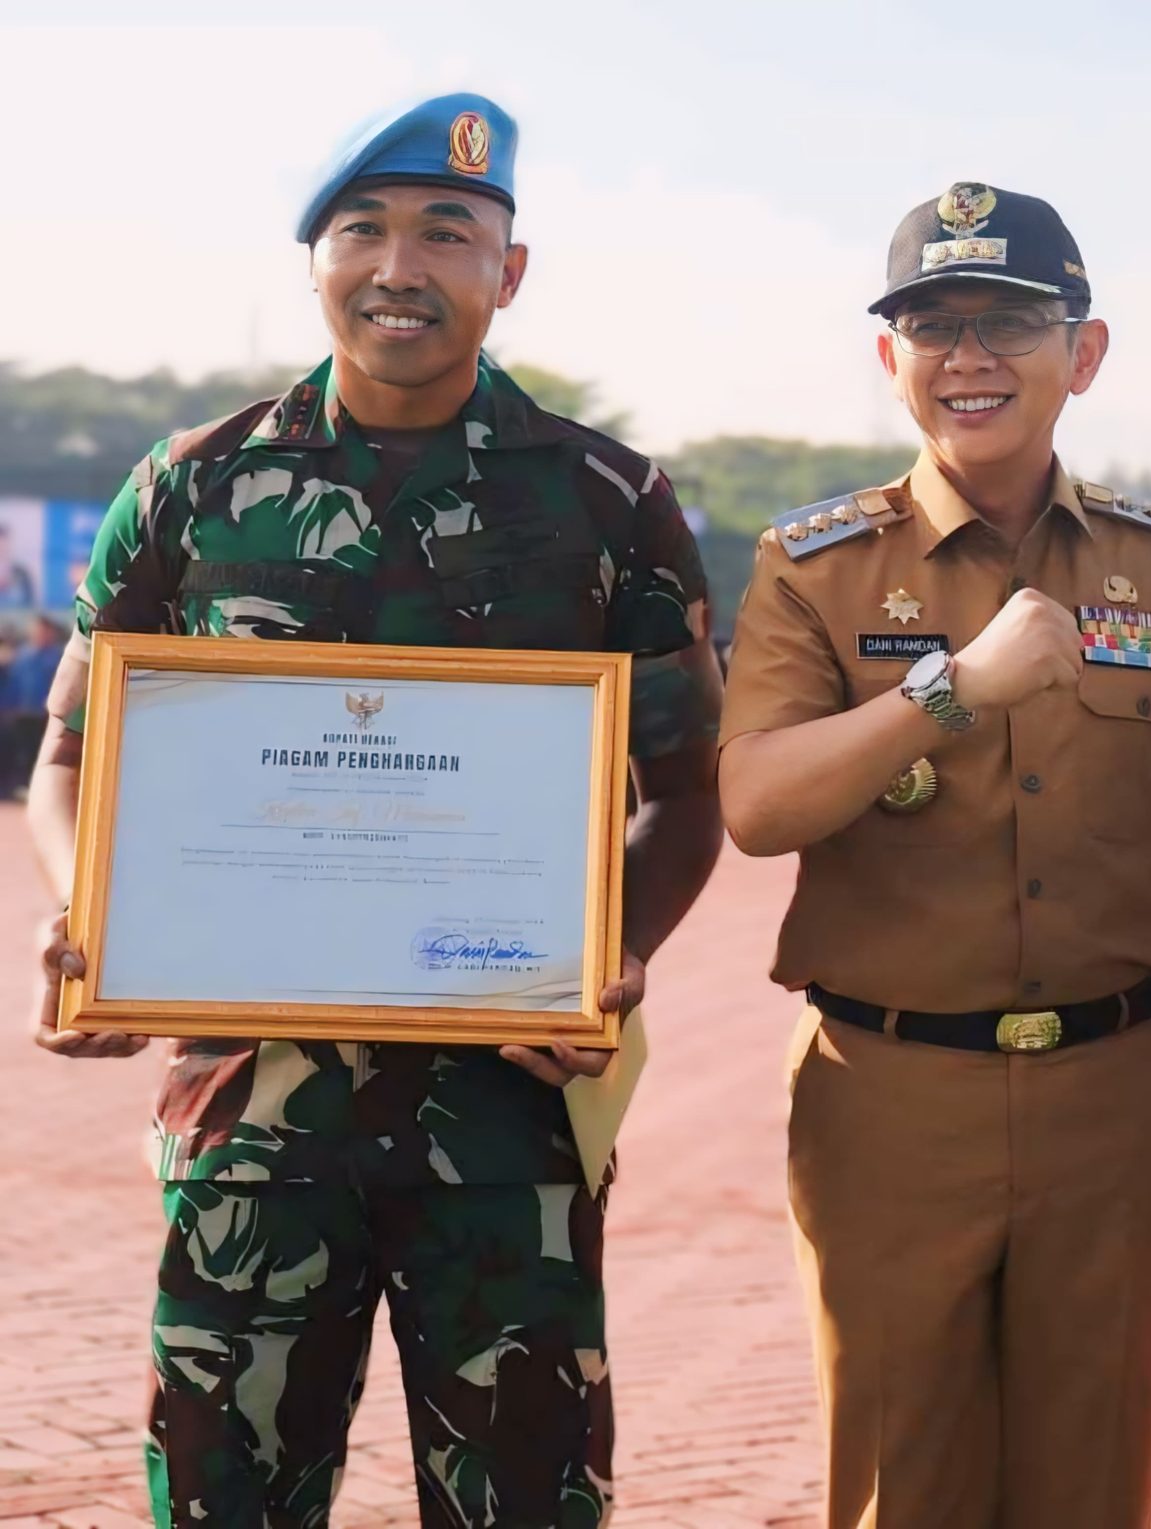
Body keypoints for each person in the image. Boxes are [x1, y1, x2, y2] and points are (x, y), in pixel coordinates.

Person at [24, 93, 725, 1528]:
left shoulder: (609, 505)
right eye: (364, 229)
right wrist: (88, 916)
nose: (399, 265)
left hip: (507, 1123)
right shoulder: (193, 487)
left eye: (446, 234)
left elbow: (689, 800)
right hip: (252, 1120)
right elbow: (70, 761)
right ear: (315, 259)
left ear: (506, 273)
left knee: (523, 1503)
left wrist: (615, 948)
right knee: (227, 1502)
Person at [717, 182, 1151, 1528]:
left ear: (1082, 354)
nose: (968, 357)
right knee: (897, 1490)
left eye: (1009, 322)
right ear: (891, 360)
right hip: (890, 1094)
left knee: (1095, 1489)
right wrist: (948, 690)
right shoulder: (815, 568)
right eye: (932, 324)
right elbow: (756, 802)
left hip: (1116, 1097)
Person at [2, 616, 64, 795]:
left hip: (44, 714)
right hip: (21, 713)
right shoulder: (22, 656)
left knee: (42, 751)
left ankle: (41, 790)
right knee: (22, 752)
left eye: (44, 631)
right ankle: (22, 787)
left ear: (51, 633)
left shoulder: (57, 657)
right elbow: (12, 683)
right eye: (36, 630)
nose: (39, 634)